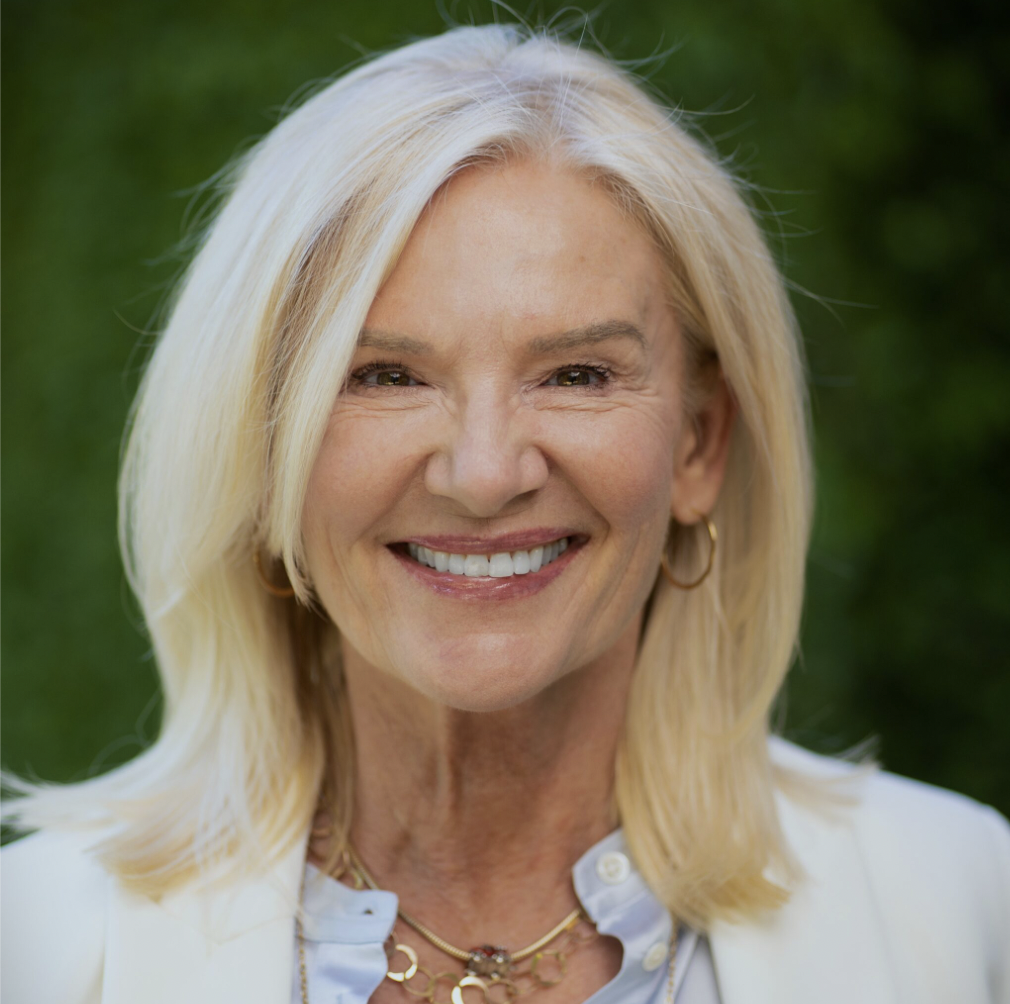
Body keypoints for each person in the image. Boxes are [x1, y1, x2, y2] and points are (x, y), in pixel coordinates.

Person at [2, 22, 1008, 1004]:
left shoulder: (963, 904)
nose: (483, 473)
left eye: (574, 372)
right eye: (385, 374)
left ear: (699, 442)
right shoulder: (36, 941)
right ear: (264, 454)